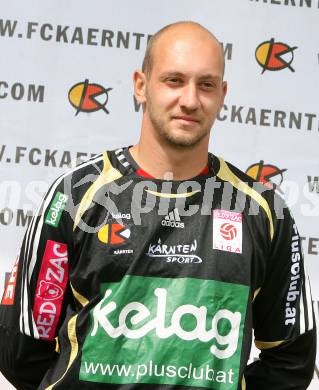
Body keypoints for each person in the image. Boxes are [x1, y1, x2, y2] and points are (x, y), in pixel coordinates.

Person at [0, 21, 316, 390]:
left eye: (206, 85)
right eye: (174, 80)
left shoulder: (262, 210)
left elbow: (290, 360)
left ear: (223, 94)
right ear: (141, 85)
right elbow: (20, 347)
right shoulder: (76, 193)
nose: (190, 100)